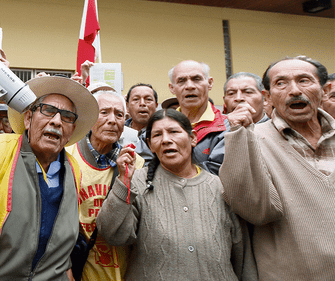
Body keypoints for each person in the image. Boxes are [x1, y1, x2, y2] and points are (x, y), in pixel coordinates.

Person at [0, 76, 99, 281]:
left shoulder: (73, 169)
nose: (57, 121)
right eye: (48, 110)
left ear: (72, 130)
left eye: (67, 117)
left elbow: (62, 249)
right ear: (28, 118)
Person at [97, 109, 256, 281]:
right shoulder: (138, 182)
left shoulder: (220, 186)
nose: (166, 140)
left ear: (193, 138)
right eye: (157, 135)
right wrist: (124, 182)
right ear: (150, 144)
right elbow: (112, 234)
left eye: (174, 132)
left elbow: (242, 254)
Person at [219, 56, 335, 281]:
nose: (294, 91)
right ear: (267, 97)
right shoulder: (253, 140)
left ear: (325, 89)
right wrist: (237, 137)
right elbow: (256, 209)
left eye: (304, 80)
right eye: (281, 83)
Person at [65, 90, 144, 281]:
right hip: (78, 268)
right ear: (90, 117)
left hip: (123, 269)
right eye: (104, 112)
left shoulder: (138, 164)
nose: (112, 120)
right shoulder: (67, 155)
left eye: (119, 115)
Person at [168, 60, 228, 174]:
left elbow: (220, 172)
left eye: (197, 79)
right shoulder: (157, 128)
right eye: (181, 81)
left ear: (210, 83)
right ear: (172, 88)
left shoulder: (228, 127)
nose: (189, 86)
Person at [125, 83, 158, 162]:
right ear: (127, 106)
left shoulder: (163, 132)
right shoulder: (118, 130)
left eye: (148, 99)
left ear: (156, 106)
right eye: (136, 99)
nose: (142, 103)